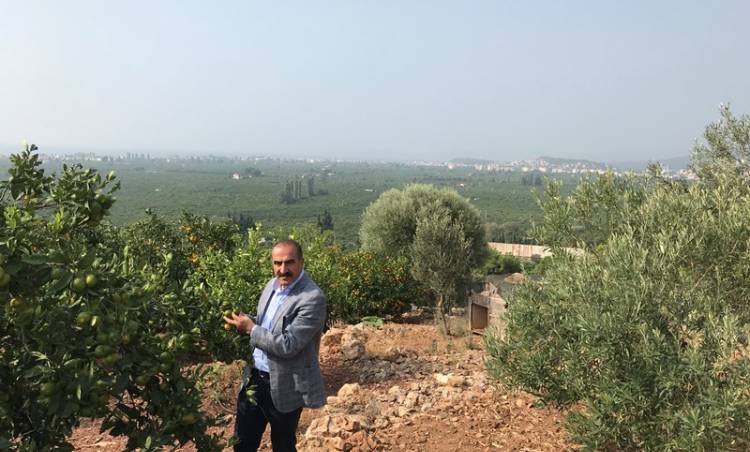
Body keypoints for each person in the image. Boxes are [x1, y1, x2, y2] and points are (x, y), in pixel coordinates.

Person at [224, 239, 327, 452]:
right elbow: (267, 325)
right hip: (254, 379)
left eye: (289, 262)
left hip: (285, 384)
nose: (282, 269)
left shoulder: (312, 298)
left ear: (301, 262)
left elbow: (289, 345)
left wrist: (251, 329)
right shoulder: (271, 286)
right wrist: (245, 320)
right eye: (277, 263)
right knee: (242, 443)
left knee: (283, 445)